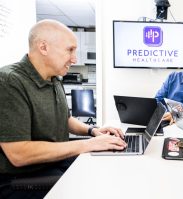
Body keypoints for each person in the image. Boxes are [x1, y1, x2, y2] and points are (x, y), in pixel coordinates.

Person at [0, 19, 126, 198]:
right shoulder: (10, 82)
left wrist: (93, 131)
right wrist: (86, 145)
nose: (74, 59)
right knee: (96, 188)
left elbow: (65, 119)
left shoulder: (54, 78)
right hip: (22, 178)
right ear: (43, 47)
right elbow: (18, 154)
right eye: (70, 50)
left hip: (54, 163)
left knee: (109, 167)